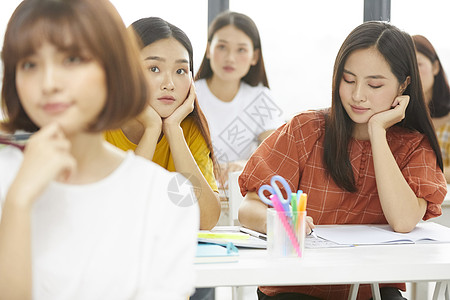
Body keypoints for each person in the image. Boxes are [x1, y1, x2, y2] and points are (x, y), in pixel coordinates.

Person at [0, 1, 199, 299]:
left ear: (114, 67)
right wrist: (17, 203)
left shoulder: (161, 198)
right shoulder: (6, 174)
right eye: (30, 64)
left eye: (72, 59)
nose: (49, 82)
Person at [238, 21, 447, 300]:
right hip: (296, 286)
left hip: (371, 288)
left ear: (404, 85)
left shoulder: (413, 145)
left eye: (374, 84)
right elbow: (248, 208)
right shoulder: (305, 130)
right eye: (348, 80)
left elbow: (404, 221)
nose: (357, 95)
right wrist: (281, 222)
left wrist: (377, 133)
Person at [104, 17, 220, 230]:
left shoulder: (187, 129)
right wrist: (151, 129)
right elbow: (116, 213)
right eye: (154, 69)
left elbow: (206, 220)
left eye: (180, 71)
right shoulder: (99, 129)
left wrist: (173, 130)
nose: (169, 84)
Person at [194, 11, 284, 189]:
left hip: (238, 193)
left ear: (254, 56)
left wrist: (246, 164)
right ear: (208, 50)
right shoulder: (190, 93)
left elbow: (275, 154)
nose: (230, 58)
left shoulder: (261, 99)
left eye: (241, 49)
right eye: (222, 47)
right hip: (194, 189)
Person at [412, 35, 450, 182]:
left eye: (418, 65)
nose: (413, 73)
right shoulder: (397, 114)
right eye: (407, 67)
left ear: (435, 67)